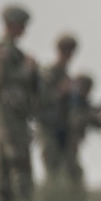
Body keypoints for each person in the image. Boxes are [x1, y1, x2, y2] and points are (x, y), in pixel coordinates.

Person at [0, 4, 40, 201]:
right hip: (9, 112)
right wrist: (27, 69)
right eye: (21, 25)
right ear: (11, 24)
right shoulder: (4, 50)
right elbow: (1, 80)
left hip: (15, 112)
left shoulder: (14, 50)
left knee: (4, 158)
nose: (24, 30)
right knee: (15, 157)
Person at [36, 33, 78, 183]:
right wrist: (60, 91)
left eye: (71, 51)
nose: (69, 55)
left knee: (70, 169)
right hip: (49, 127)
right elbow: (40, 100)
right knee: (52, 168)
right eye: (66, 51)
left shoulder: (65, 74)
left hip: (63, 126)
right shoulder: (49, 73)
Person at [64, 73, 101, 193]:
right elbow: (75, 121)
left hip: (72, 144)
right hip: (62, 143)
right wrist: (92, 115)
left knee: (75, 173)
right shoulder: (71, 102)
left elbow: (98, 124)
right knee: (70, 173)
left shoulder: (82, 103)